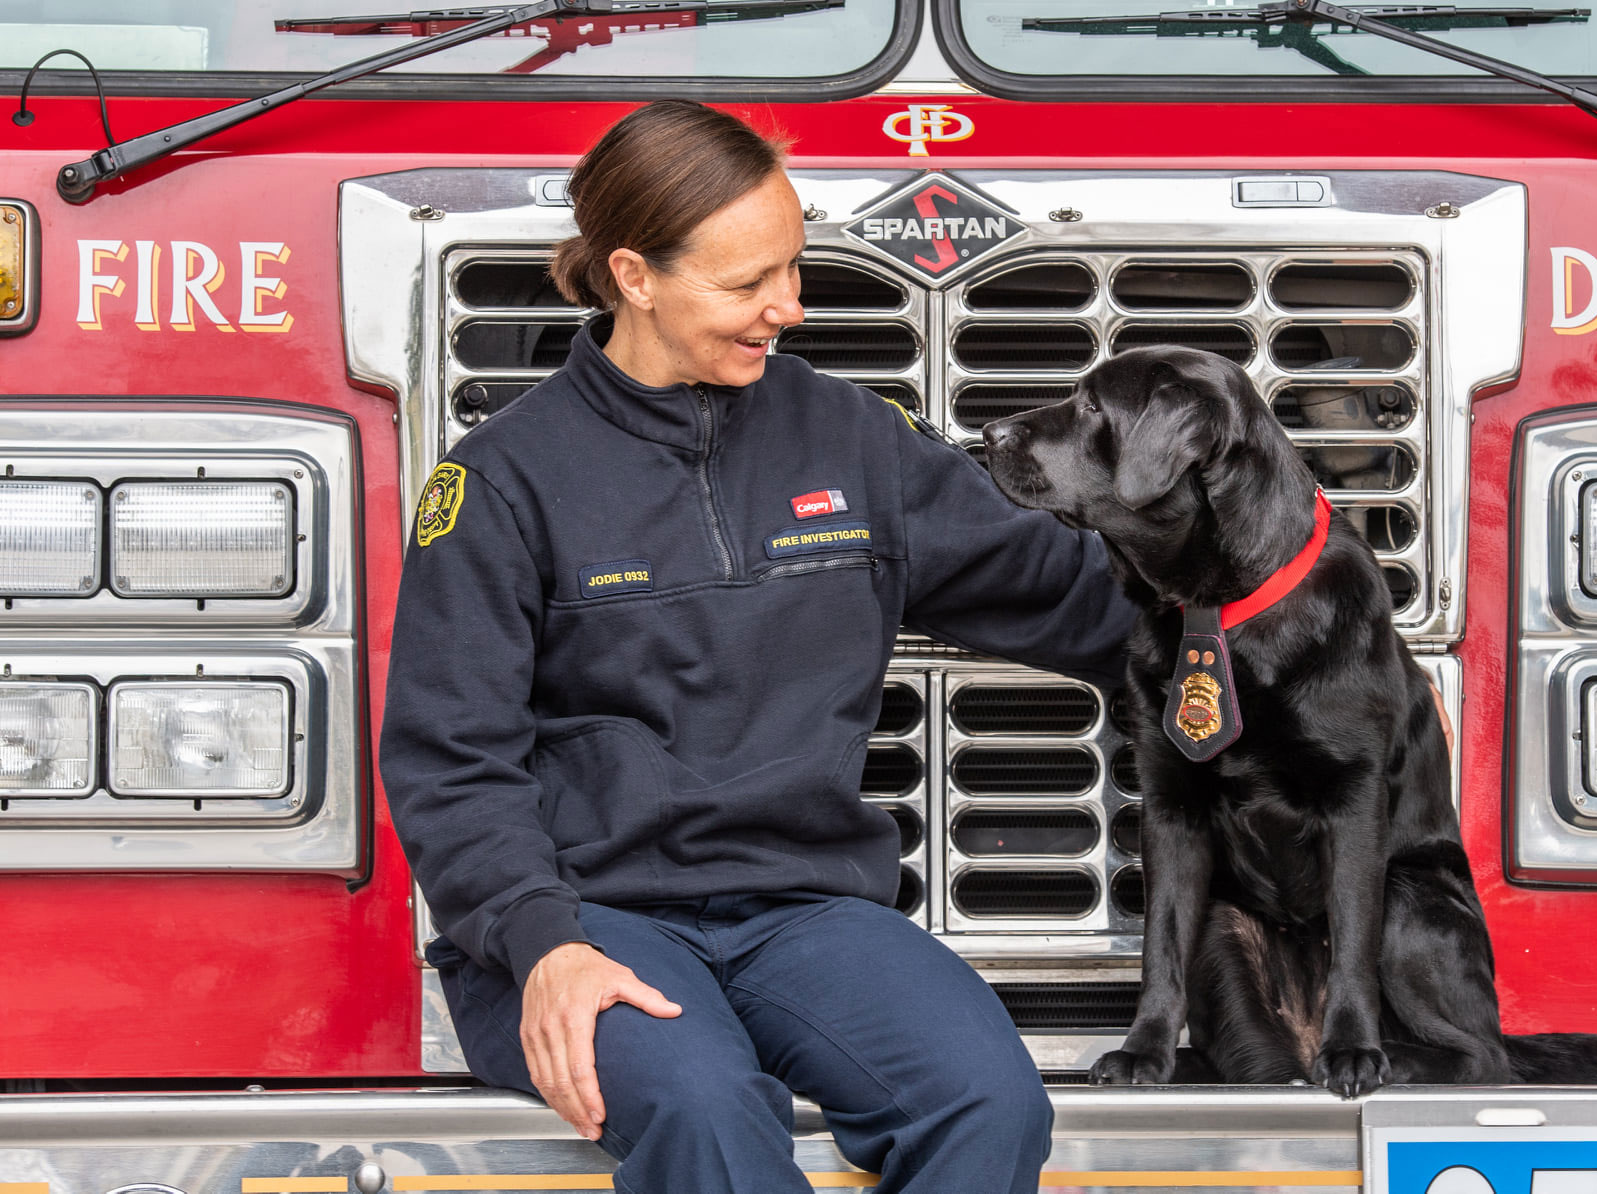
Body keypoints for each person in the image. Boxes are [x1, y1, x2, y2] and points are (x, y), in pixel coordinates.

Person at [377, 100, 1139, 1194]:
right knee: (707, 1110)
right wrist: (541, 945)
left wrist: (1265, 620)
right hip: (587, 918)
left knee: (988, 1100)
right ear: (634, 276)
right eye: (746, 285)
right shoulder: (501, 480)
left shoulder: (855, 437)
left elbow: (1060, 591)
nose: (787, 306)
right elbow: (453, 760)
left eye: (792, 266)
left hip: (803, 911)